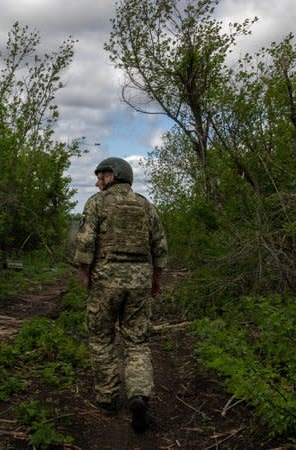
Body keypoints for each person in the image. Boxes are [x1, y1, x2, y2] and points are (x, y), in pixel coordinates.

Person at [73, 157, 168, 433]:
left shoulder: (97, 203)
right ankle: (138, 394)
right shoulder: (145, 205)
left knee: (102, 338)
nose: (96, 182)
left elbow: (86, 242)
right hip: (139, 281)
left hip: (106, 280)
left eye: (100, 176)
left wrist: (85, 275)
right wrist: (156, 280)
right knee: (137, 341)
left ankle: (108, 398)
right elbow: (160, 246)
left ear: (112, 176)